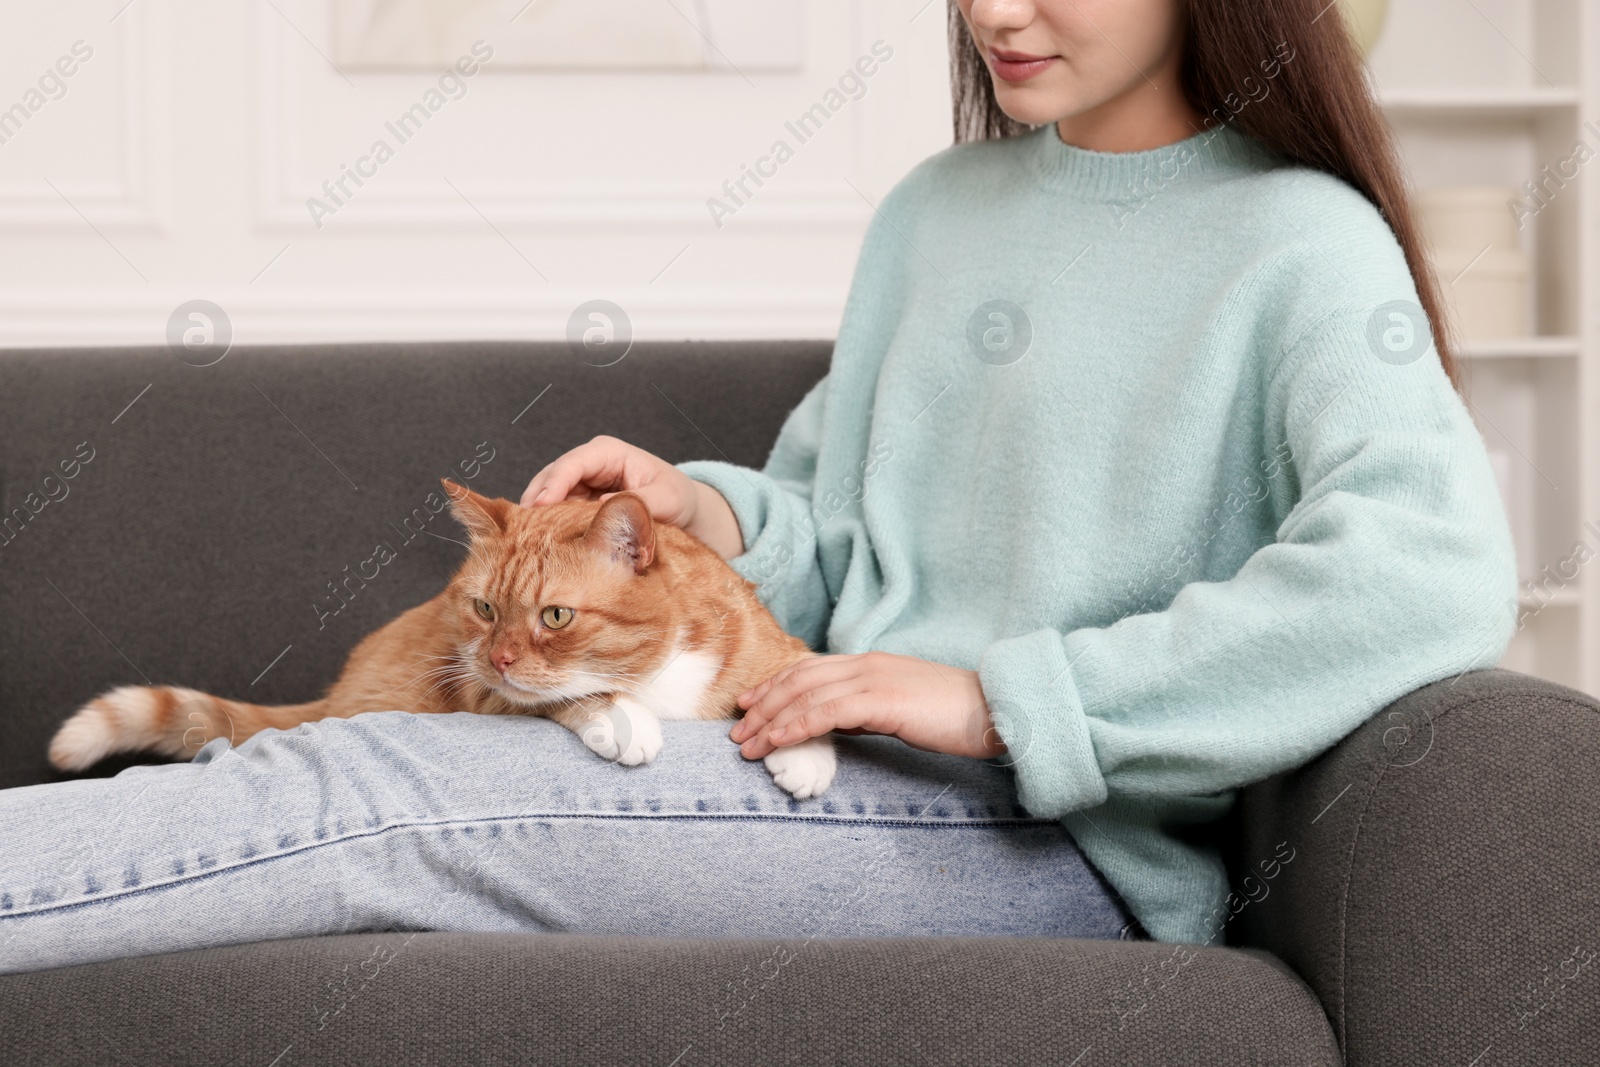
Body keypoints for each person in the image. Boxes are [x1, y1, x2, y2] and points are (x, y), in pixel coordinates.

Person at [0, 0, 1514, 976]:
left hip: (1043, 843)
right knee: (369, 770)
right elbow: (835, 535)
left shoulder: (1299, 246)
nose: (994, 13)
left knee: (372, 792)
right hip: (794, 752)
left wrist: (1012, 702)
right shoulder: (940, 211)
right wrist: (699, 516)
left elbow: (1429, 570)